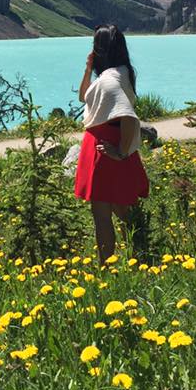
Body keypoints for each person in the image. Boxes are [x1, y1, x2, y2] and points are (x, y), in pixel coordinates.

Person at [74, 23, 149, 263]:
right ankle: (141, 250)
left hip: (104, 150)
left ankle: (106, 266)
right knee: (121, 206)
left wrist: (120, 153)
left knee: (102, 214)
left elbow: (128, 116)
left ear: (100, 49)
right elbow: (84, 96)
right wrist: (88, 70)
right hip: (111, 146)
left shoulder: (109, 81)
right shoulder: (121, 72)